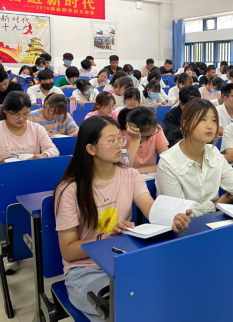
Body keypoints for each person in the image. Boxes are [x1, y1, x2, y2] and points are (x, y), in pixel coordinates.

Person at [54, 116, 191, 321]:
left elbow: (152, 211)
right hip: (85, 270)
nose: (119, 145)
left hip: (124, 260)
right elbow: (68, 250)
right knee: (123, 307)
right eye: (111, 140)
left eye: (120, 138)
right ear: (91, 149)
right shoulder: (70, 190)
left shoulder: (130, 175)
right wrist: (104, 238)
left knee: (167, 294)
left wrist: (172, 221)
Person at [0, 91, 60, 211]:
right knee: (13, 208)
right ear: (5, 111)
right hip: (4, 182)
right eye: (16, 114)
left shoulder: (37, 128)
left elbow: (54, 150)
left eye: (26, 114)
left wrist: (43, 155)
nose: (21, 119)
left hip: (33, 179)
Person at [117, 107, 169, 173]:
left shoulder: (157, 130)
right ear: (129, 127)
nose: (148, 138)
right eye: (143, 136)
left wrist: (136, 171)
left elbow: (166, 163)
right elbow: (123, 168)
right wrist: (135, 139)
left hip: (148, 175)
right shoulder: (120, 135)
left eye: (150, 135)